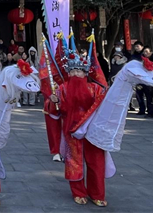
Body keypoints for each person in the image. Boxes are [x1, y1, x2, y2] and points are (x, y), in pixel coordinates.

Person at [48, 53, 107, 206]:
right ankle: (78, 192)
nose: (75, 74)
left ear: (86, 73)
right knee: (74, 162)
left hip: (93, 131)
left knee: (96, 162)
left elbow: (105, 110)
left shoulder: (96, 89)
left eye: (79, 71)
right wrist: (52, 102)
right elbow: (54, 111)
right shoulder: (62, 89)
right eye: (72, 71)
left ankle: (97, 194)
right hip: (72, 131)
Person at [130, 41, 148, 115]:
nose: (136, 48)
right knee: (139, 94)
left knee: (148, 94)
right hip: (137, 77)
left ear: (142, 46)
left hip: (145, 76)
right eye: (135, 46)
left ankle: (150, 109)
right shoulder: (133, 56)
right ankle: (142, 109)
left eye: (138, 46)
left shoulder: (145, 55)